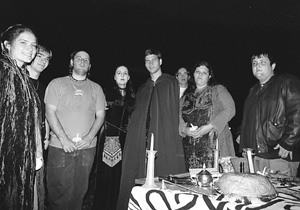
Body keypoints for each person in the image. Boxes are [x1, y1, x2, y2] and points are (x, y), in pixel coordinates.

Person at [117, 48, 186, 210]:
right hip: (142, 139)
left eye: (154, 60)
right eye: (147, 61)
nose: (150, 63)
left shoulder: (171, 83)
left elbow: (179, 108)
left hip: (164, 136)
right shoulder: (143, 88)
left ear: (160, 61)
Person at [45, 50, 106, 210]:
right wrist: (64, 140)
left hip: (87, 149)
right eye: (78, 58)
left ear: (90, 65)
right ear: (71, 62)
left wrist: (88, 138)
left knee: (80, 192)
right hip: (60, 147)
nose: (82, 61)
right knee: (58, 193)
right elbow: (49, 112)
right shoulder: (57, 83)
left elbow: (100, 116)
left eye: (86, 59)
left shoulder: (96, 88)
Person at [238, 51, 300, 176]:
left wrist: (288, 143)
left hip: (278, 156)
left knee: (279, 194)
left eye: (262, 62)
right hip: (255, 157)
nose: (257, 66)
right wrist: (241, 134)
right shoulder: (253, 90)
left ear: (273, 66)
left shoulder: (286, 82)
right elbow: (249, 118)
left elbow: (297, 112)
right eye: (254, 63)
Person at [0, 24, 42, 210]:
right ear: (7, 45)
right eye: (23, 43)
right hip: (6, 159)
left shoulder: (23, 75)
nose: (30, 49)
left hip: (23, 156)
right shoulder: (4, 71)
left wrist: (36, 150)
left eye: (34, 45)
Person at [179, 61, 236, 169]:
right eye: (197, 72)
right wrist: (186, 130)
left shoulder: (218, 90)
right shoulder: (184, 98)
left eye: (204, 72)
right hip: (190, 150)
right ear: (193, 74)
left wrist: (210, 127)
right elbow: (178, 120)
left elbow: (230, 109)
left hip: (215, 146)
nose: (200, 74)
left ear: (209, 76)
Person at [93, 65, 135, 210]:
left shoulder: (134, 97)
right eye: (119, 73)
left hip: (128, 142)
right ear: (114, 77)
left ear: (129, 77)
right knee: (106, 176)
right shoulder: (105, 95)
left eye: (125, 73)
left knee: (122, 176)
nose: (122, 75)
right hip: (109, 141)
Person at [27, 44, 52, 209]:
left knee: (38, 184)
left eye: (47, 59)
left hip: (39, 141)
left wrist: (47, 136)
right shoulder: (18, 80)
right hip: (21, 139)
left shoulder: (43, 87)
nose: (44, 61)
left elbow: (47, 114)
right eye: (40, 56)